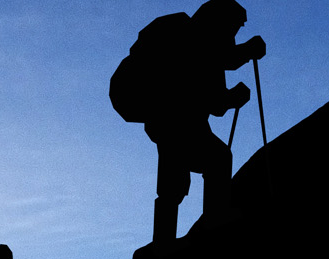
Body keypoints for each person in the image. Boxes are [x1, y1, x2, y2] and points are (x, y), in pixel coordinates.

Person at [110, 0, 266, 245]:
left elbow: (216, 83)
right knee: (216, 160)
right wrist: (235, 92)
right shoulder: (199, 43)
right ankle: (214, 219)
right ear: (221, 23)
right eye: (234, 28)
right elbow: (215, 98)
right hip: (179, 120)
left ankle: (163, 242)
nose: (234, 35)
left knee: (173, 183)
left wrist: (241, 63)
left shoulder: (190, 37)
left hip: (167, 120)